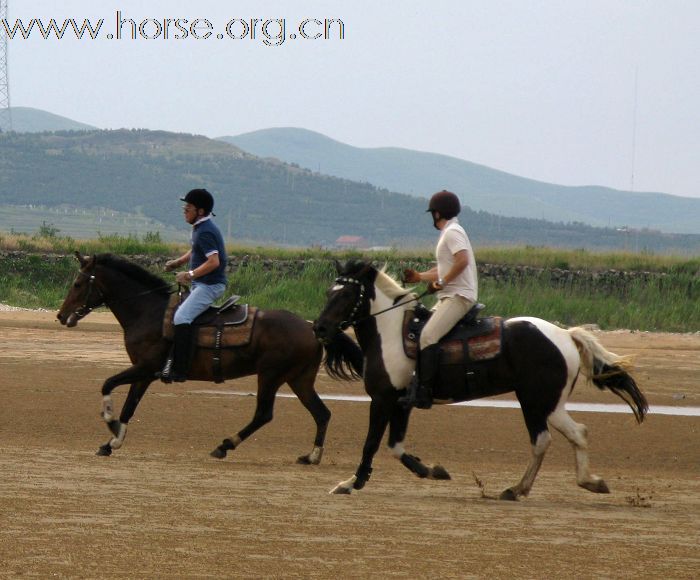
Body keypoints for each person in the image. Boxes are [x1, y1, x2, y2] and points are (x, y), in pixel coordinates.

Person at [399, 189, 478, 409]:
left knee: (427, 337)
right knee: (423, 329)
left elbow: (462, 261)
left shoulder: (452, 232)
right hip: (449, 295)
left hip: (458, 296)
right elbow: (446, 268)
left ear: (437, 213)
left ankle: (424, 393)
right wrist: (420, 277)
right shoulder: (450, 232)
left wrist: (441, 283)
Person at [159, 188, 228, 382]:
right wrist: (178, 263)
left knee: (181, 317)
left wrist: (189, 274)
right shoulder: (199, 228)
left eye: (188, 207)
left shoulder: (205, 231)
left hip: (210, 286)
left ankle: (181, 370)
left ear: (200, 211)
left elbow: (214, 262)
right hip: (202, 283)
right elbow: (195, 250)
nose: (184, 210)